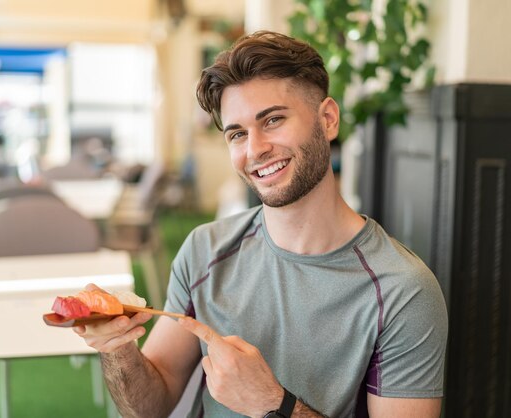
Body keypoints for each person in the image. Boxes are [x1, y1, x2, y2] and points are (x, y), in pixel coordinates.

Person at [75, 30, 448, 418]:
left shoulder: (403, 291)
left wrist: (274, 404)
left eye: (272, 120)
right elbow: (149, 407)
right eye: (237, 133)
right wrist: (117, 348)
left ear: (328, 119)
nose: (255, 149)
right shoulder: (204, 250)